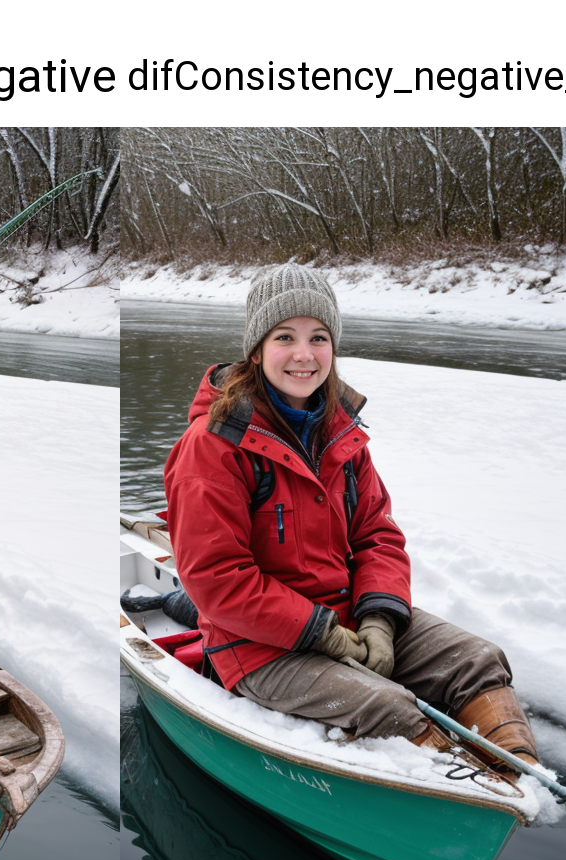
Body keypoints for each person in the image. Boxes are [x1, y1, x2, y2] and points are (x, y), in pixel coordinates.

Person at [159, 264, 536, 779]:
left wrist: (380, 619)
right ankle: (473, 795)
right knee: (392, 708)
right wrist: (323, 634)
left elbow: (377, 535)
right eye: (284, 337)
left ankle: (516, 778)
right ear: (255, 349)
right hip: (257, 646)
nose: (303, 354)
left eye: (318, 337)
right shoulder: (212, 445)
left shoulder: (341, 433)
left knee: (480, 660)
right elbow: (217, 581)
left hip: (349, 615)